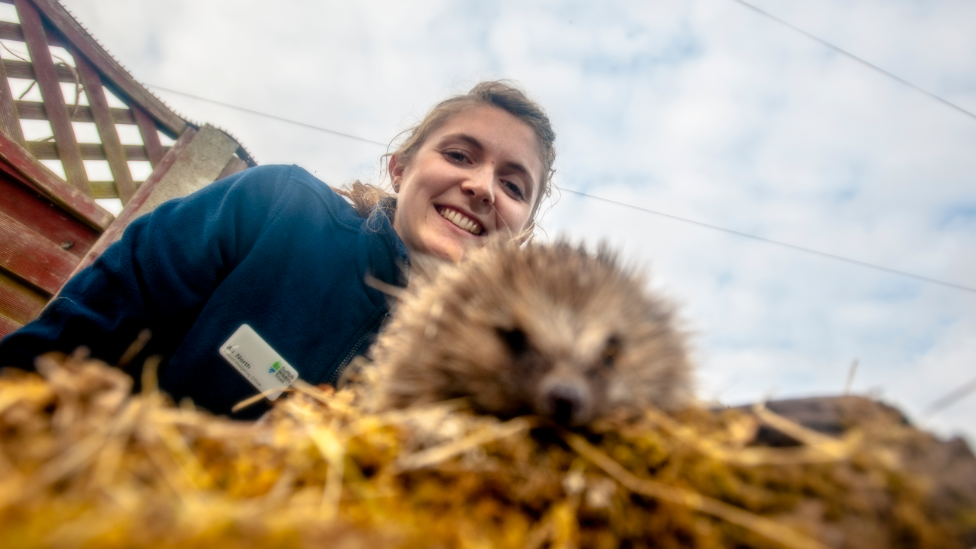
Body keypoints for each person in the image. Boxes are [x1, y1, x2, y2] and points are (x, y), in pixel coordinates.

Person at [0, 81, 557, 418]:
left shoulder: (495, 375)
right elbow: (64, 350)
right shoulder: (274, 209)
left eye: (513, 187)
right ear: (401, 166)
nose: (483, 188)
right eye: (460, 155)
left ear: (522, 228)